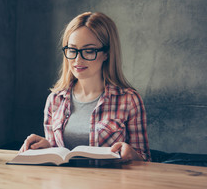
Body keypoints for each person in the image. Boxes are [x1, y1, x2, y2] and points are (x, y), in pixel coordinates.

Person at [19, 12, 151, 162]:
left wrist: (132, 155)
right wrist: (45, 147)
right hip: (63, 184)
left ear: (106, 53)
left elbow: (145, 159)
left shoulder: (129, 100)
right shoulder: (55, 100)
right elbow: (58, 155)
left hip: (108, 184)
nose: (77, 59)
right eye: (72, 50)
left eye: (89, 51)